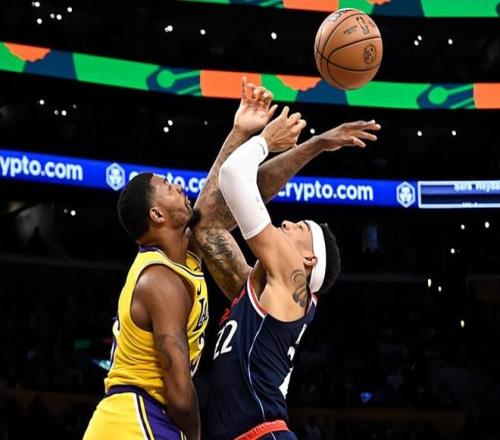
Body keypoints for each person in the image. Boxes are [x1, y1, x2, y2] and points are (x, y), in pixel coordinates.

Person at [197, 104, 380, 439]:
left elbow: (235, 176)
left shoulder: (291, 274)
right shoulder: (259, 292)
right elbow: (205, 228)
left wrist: (265, 141)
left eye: (300, 228)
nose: (287, 223)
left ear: (308, 260)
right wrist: (244, 132)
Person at [83, 172, 208, 439]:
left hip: (134, 416)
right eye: (167, 185)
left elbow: (223, 194)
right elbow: (180, 396)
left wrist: (247, 141)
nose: (178, 185)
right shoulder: (159, 281)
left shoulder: (183, 259)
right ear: (157, 214)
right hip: (135, 418)